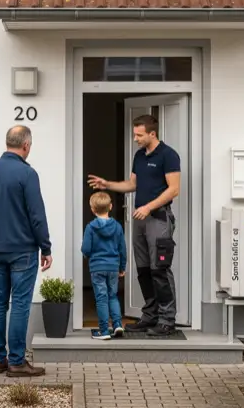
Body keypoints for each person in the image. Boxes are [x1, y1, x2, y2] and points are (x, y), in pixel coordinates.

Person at [87, 114, 181, 337]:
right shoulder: (139, 156)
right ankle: (150, 315)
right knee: (143, 270)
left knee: (160, 269)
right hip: (141, 220)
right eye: (134, 134)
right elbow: (132, 184)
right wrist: (107, 184)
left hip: (158, 218)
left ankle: (167, 320)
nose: (135, 138)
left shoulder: (168, 155)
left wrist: (148, 206)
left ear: (152, 133)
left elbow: (174, 189)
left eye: (139, 135)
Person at [0, 125, 52, 377]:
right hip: (22, 250)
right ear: (26, 145)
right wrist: (46, 247)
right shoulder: (27, 174)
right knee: (20, 304)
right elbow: (37, 215)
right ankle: (17, 362)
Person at [80, 191, 127, 341]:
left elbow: (86, 249)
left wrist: (88, 254)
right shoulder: (118, 227)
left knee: (101, 298)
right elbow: (122, 249)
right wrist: (122, 267)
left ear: (92, 209)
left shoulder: (90, 227)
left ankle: (104, 331)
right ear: (111, 206)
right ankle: (118, 324)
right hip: (113, 267)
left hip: (97, 268)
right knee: (112, 296)